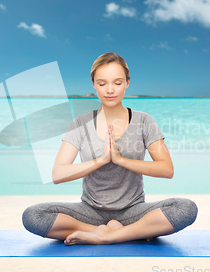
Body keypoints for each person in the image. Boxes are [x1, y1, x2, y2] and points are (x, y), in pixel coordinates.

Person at [22, 52, 197, 245]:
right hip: (89, 212)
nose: (110, 90)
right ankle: (121, 233)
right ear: (94, 85)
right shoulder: (80, 123)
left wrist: (121, 159)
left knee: (185, 208)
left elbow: (166, 169)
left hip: (133, 211)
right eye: (102, 83)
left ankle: (106, 236)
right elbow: (58, 174)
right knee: (33, 216)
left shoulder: (144, 121)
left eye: (118, 82)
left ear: (127, 83)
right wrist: (101, 160)